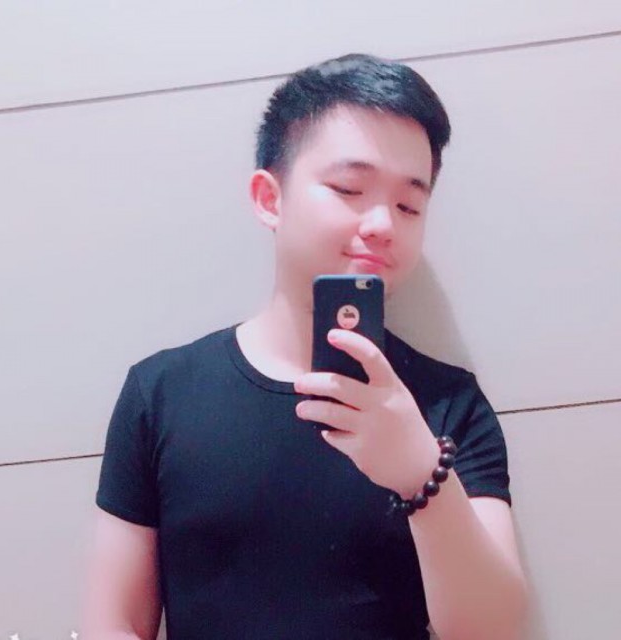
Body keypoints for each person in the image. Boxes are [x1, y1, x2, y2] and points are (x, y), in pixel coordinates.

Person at [82, 53, 528, 640]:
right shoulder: (160, 393)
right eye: (349, 188)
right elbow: (113, 623)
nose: (383, 224)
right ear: (270, 199)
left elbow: (494, 631)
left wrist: (423, 475)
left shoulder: (450, 404)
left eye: (408, 205)